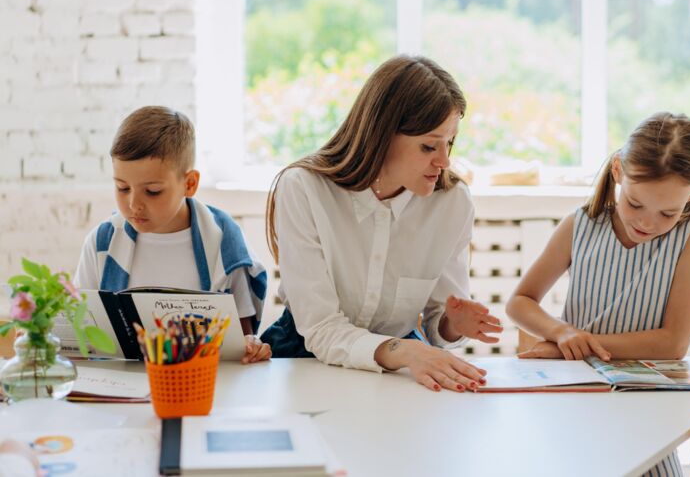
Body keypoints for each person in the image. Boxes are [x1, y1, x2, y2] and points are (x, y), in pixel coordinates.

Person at [260, 55, 502, 392]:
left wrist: (452, 324)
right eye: (429, 145)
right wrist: (405, 351)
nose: (444, 161)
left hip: (403, 361)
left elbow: (438, 322)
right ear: (381, 134)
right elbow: (321, 328)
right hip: (303, 356)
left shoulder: (453, 203)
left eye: (450, 143)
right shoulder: (304, 188)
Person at [506, 112, 690, 477]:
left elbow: (672, 344)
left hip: (646, 413)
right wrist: (561, 333)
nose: (647, 223)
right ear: (618, 171)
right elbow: (520, 301)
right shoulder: (581, 224)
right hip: (576, 402)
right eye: (635, 204)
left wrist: (573, 348)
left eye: (667, 212)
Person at [74, 106, 271, 364]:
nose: (134, 204)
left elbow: (241, 341)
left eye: (153, 191)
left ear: (189, 184)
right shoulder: (102, 243)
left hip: (202, 387)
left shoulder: (225, 242)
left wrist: (252, 347)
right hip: (121, 389)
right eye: (122, 188)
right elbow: (80, 328)